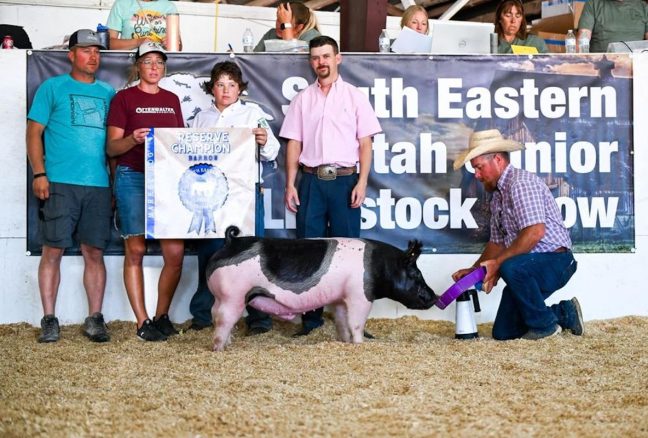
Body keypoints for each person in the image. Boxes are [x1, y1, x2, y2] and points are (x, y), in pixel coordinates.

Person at [280, 36, 382, 336]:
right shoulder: (302, 99)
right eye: (315, 57)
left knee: (349, 253)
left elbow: (366, 143)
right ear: (311, 61)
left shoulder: (354, 97)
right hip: (310, 180)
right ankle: (310, 321)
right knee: (308, 252)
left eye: (326, 56)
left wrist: (362, 181)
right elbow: (294, 143)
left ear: (338, 58)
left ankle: (353, 322)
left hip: (345, 180)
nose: (321, 62)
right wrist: (290, 183)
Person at [451, 129, 583, 341]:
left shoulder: (520, 183)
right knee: (504, 332)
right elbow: (496, 243)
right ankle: (564, 313)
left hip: (555, 261)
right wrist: (475, 271)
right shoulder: (497, 198)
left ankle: (546, 328)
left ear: (497, 159)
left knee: (509, 265)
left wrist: (497, 264)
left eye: (479, 167)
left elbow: (534, 232)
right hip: (527, 267)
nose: (476, 175)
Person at [26, 29, 115, 343]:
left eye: (97, 52)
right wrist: (39, 173)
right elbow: (33, 133)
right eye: (86, 50)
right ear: (71, 54)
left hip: (99, 185)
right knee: (53, 250)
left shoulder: (108, 93)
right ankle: (49, 319)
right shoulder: (52, 88)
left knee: (94, 252)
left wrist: (115, 182)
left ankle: (95, 318)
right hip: (60, 183)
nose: (93, 57)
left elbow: (115, 143)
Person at [188, 61, 280, 335]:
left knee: (250, 255)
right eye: (220, 84)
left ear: (240, 89)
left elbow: (272, 151)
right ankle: (203, 315)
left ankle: (259, 317)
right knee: (209, 255)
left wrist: (264, 140)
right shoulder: (200, 118)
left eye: (231, 85)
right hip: (210, 196)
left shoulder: (253, 114)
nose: (226, 90)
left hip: (244, 195)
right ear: (211, 88)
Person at [107, 42, 185, 342]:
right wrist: (132, 140)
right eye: (148, 61)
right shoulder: (123, 99)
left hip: (167, 179)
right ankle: (142, 321)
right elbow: (111, 147)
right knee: (136, 250)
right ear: (137, 65)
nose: (154, 67)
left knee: (175, 253)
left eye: (159, 62)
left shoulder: (172, 100)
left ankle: (162, 315)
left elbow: (179, 144)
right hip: (134, 176)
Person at [106, 0, 182, 50]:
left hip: (160, 65)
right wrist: (138, 42)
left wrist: (171, 44)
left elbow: (179, 47)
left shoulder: (169, 6)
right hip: (130, 62)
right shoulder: (121, 4)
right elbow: (109, 44)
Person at [577, 0, 648, 53]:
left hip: (636, 63)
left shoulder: (643, 7)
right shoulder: (593, 4)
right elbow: (583, 37)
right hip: (602, 62)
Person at [254, 2, 320, 52]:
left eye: (285, 23)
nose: (279, 26)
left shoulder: (313, 37)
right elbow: (253, 60)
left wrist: (286, 25)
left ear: (299, 27)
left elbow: (294, 61)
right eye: (278, 19)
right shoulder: (271, 34)